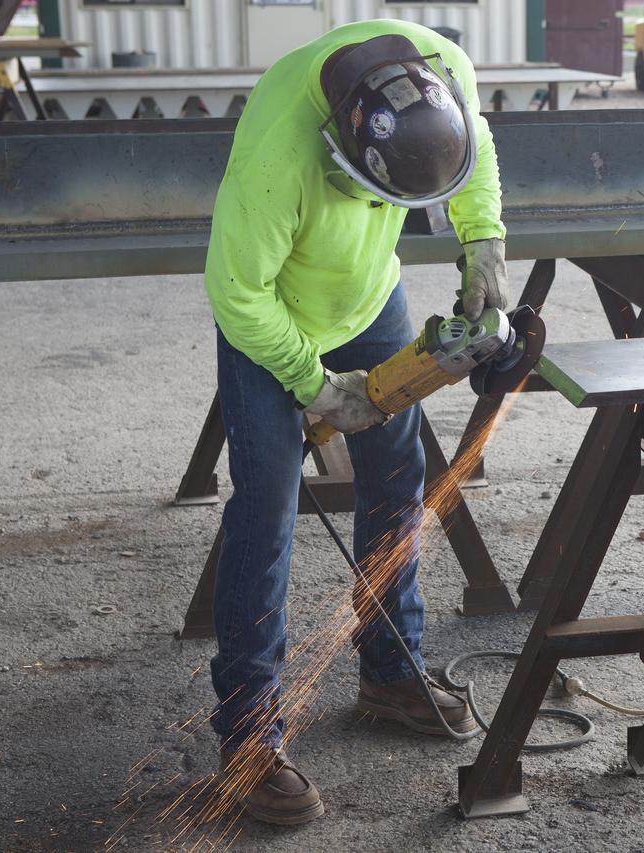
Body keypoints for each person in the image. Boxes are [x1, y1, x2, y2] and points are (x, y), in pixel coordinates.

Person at [202, 20, 508, 825]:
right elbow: (237, 296)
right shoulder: (280, 157)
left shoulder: (445, 74)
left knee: (397, 479)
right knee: (268, 505)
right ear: (344, 152)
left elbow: (474, 153)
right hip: (275, 319)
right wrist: (313, 385)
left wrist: (484, 240)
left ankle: (391, 670)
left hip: (371, 299)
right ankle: (248, 735)